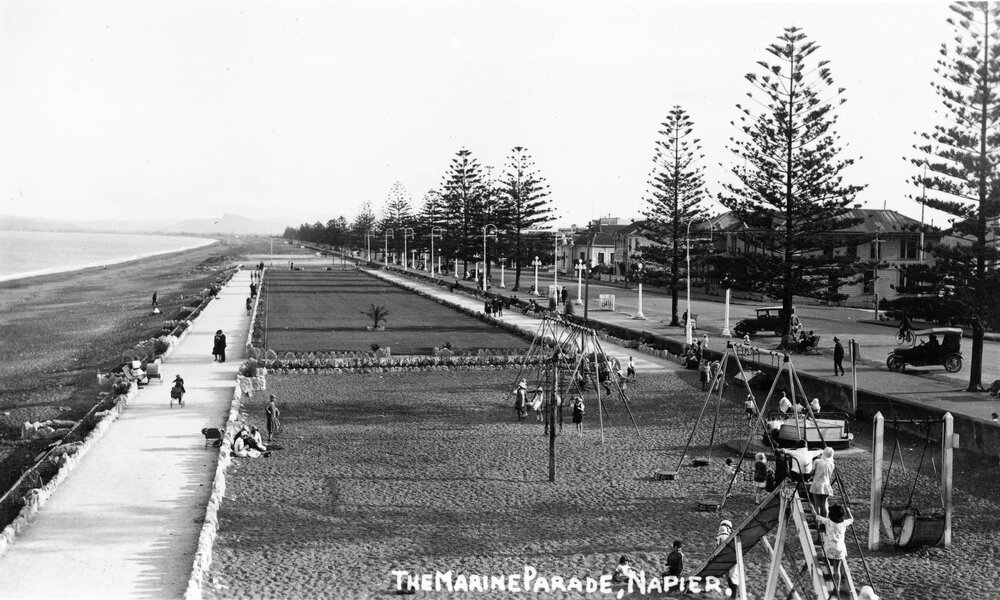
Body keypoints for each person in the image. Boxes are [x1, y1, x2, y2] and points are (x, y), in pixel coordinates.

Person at [815, 504, 854, 593]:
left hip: (829, 547)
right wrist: (848, 511)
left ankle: (829, 571)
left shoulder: (828, 521)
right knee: (837, 569)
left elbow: (817, 516)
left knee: (825, 559)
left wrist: (812, 508)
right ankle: (837, 588)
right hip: (840, 548)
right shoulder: (843, 523)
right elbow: (852, 520)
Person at [715, 520, 740, 598]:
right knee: (731, 577)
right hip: (730, 559)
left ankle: (733, 596)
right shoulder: (729, 536)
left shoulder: (720, 537)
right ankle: (733, 596)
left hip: (727, 560)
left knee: (731, 577)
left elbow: (716, 550)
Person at [810, 447, 836, 517]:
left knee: (817, 505)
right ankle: (825, 523)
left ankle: (818, 523)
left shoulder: (817, 461)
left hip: (817, 484)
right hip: (826, 485)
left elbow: (812, 472)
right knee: (824, 504)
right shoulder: (832, 464)